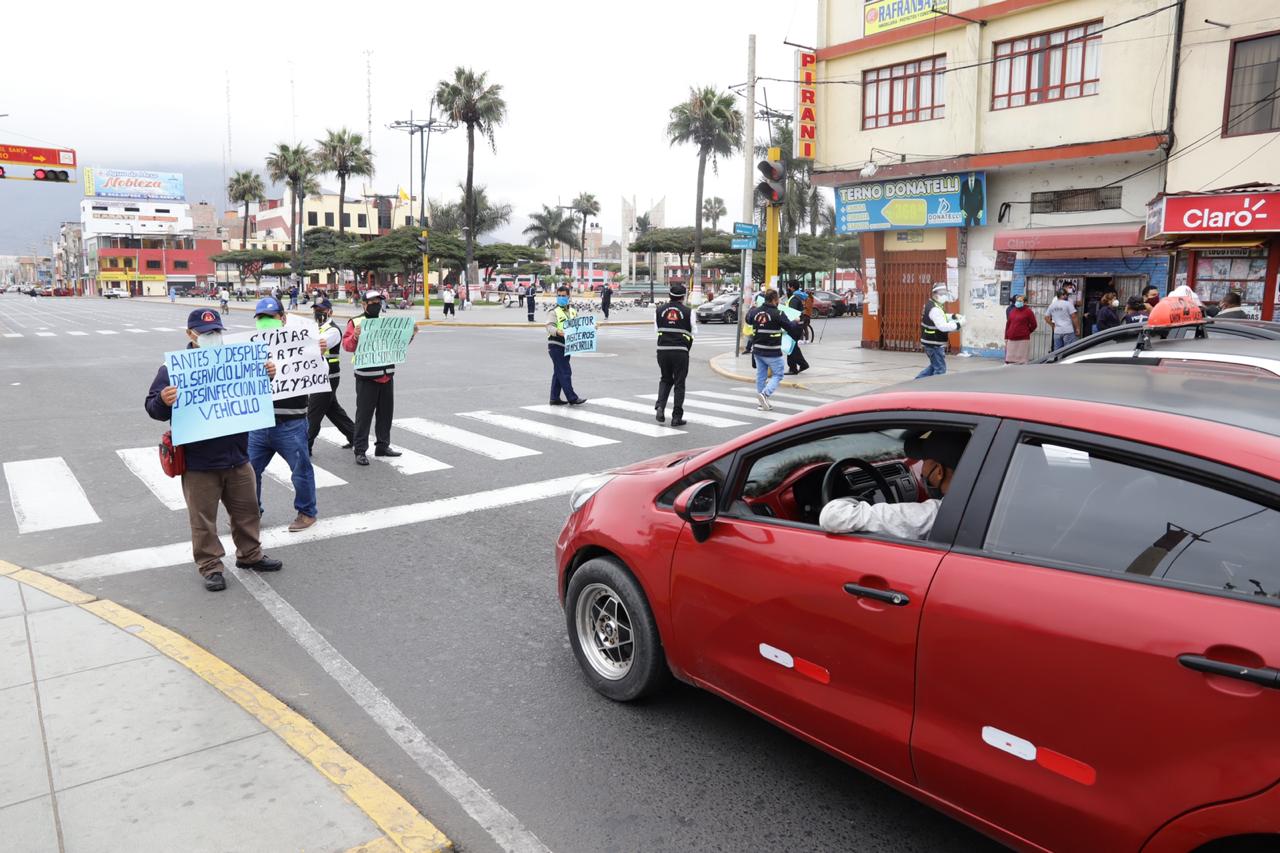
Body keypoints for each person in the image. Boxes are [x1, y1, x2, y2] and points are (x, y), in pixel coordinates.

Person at [145, 308, 282, 591]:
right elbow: (152, 408)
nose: (213, 337)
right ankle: (210, 566)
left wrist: (266, 374)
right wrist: (163, 399)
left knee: (248, 511)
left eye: (217, 332)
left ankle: (250, 554)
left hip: (237, 456)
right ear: (190, 334)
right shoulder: (172, 369)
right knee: (203, 520)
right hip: (199, 462)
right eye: (206, 333)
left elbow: (252, 394)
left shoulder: (237, 361)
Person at [247, 297, 318, 532]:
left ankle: (307, 512)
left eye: (271, 317)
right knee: (248, 472)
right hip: (259, 422)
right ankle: (251, 512)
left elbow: (317, 371)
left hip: (291, 422)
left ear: (283, 318)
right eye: (261, 318)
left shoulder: (302, 344)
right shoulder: (249, 346)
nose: (266, 321)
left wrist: (318, 351)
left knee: (300, 471)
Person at [819, 429, 969, 540]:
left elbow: (832, 517)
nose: (922, 468)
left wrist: (858, 500)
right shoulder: (980, 502)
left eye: (924, 461)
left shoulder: (935, 515)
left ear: (938, 472)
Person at [343, 289, 414, 465]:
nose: (376, 305)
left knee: (385, 414)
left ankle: (382, 445)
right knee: (364, 415)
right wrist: (355, 336)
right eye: (372, 302)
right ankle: (360, 450)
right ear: (364, 304)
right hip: (366, 377)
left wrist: (410, 334)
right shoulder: (356, 322)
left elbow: (398, 343)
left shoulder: (386, 322)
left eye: (378, 301)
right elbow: (347, 345)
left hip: (387, 375)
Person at [307, 297, 356, 453]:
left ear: (330, 312)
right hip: (317, 376)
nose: (318, 312)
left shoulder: (333, 330)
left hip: (328, 377)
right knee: (333, 410)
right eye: (316, 309)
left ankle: (305, 446)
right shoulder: (315, 328)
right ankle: (355, 437)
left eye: (321, 309)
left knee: (313, 412)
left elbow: (315, 347)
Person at [744, 289, 806, 410]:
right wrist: (796, 321)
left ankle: (761, 403)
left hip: (757, 350)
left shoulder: (755, 312)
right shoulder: (778, 313)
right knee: (778, 374)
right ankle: (765, 394)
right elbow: (790, 327)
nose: (778, 302)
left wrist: (752, 308)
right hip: (772, 351)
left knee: (761, 376)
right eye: (777, 299)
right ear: (774, 300)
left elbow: (747, 319)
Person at [654, 283, 693, 425]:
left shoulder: (659, 310)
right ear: (683, 297)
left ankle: (660, 407)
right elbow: (693, 333)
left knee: (665, 379)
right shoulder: (688, 311)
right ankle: (676, 417)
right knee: (679, 383)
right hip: (680, 351)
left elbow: (656, 330)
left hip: (662, 350)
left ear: (669, 295)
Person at [547, 284, 588, 406]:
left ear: (568, 296)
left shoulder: (573, 311)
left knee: (558, 372)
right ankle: (572, 397)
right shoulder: (553, 312)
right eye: (559, 296)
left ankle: (554, 398)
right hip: (556, 344)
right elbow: (549, 326)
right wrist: (558, 331)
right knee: (565, 372)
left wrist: (590, 328)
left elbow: (578, 326)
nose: (561, 298)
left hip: (568, 345)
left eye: (563, 296)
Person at [917, 282, 964, 378]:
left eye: (945, 293)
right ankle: (934, 388)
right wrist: (958, 324)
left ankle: (916, 382)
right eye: (942, 293)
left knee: (934, 367)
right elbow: (942, 326)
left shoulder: (932, 304)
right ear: (935, 294)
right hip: (934, 344)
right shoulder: (934, 308)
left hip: (931, 342)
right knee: (940, 370)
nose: (944, 296)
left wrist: (953, 316)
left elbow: (941, 316)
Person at [785, 281, 811, 375]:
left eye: (788, 286)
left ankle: (795, 367)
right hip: (798, 325)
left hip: (793, 326)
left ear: (791, 287)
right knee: (793, 346)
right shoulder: (799, 296)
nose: (787, 288)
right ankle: (799, 365)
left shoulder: (794, 298)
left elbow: (791, 313)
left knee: (790, 347)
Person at [1003, 294, 1037, 364]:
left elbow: (1034, 325)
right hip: (1011, 339)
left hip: (1023, 340)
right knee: (1010, 360)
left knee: (1021, 361)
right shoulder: (1013, 311)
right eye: (1017, 301)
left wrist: (1027, 332)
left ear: (1025, 302)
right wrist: (1006, 337)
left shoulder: (1028, 312)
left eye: (1020, 301)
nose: (1018, 302)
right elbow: (1008, 324)